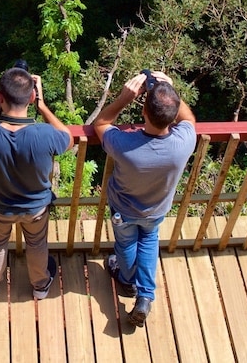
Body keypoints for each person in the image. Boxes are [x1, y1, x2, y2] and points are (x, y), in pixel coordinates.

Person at [92, 70, 197, 327]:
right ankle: (145, 295)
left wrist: (123, 99)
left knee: (126, 244)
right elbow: (189, 120)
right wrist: (170, 91)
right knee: (149, 241)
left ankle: (126, 281)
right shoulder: (184, 141)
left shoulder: (124, 143)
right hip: (155, 210)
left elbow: (100, 124)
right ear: (173, 117)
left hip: (123, 210)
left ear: (144, 113)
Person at [0, 66, 72, 300]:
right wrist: (42, 107)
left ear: (0, 96)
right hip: (36, 208)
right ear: (32, 96)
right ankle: (40, 286)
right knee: (37, 244)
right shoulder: (45, 134)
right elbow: (68, 137)